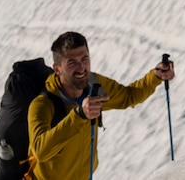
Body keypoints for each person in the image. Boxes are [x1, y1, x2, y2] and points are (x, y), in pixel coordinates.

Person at [26, 31, 175, 178]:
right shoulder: (43, 104)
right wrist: (79, 115)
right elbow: (40, 151)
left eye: (85, 59)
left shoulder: (94, 86)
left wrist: (155, 76)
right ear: (57, 69)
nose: (81, 68)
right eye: (72, 63)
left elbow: (128, 96)